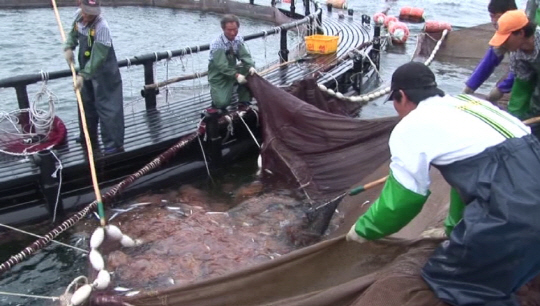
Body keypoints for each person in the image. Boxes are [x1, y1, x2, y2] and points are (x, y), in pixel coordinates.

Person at [347, 61, 540, 305]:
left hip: (518, 214)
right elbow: (467, 186)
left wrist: (364, 229)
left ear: (401, 96)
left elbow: (403, 201)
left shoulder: (411, 125)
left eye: (395, 103)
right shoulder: (472, 103)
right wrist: (452, 228)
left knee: (453, 282)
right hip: (527, 172)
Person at [64, 0, 124, 154]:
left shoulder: (102, 26)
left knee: (107, 106)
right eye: (85, 11)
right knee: (85, 103)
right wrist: (69, 47)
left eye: (92, 13)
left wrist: (83, 75)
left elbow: (98, 56)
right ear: (80, 6)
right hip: (86, 67)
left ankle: (112, 143)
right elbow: (73, 34)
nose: (88, 16)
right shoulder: (78, 17)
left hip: (104, 71)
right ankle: (87, 136)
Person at [490, 10, 540, 123]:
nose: (503, 43)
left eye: (506, 38)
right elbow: (522, 87)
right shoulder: (516, 54)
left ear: (521, 33)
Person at [463, 0, 517, 103]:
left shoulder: (518, 33)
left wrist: (500, 89)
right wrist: (468, 89)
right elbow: (489, 62)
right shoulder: (501, 34)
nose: (493, 21)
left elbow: (521, 70)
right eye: (491, 16)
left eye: (497, 16)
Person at [208, 14, 257, 111]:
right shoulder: (217, 43)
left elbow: (245, 56)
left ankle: (244, 100)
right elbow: (221, 66)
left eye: (235, 29)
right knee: (222, 103)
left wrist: (250, 66)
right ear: (223, 29)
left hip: (232, 70)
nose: (233, 33)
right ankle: (216, 96)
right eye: (229, 30)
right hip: (219, 75)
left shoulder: (238, 39)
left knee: (249, 70)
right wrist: (237, 75)